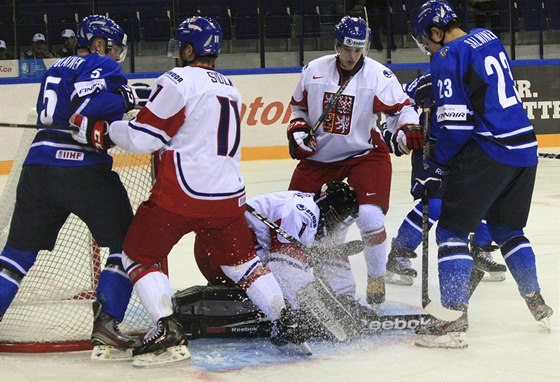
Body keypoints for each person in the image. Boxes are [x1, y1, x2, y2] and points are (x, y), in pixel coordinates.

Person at [70, 16, 309, 367]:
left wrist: (104, 133)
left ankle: (166, 331)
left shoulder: (177, 79)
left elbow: (145, 137)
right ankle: (286, 321)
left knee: (137, 254)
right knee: (243, 263)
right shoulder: (229, 85)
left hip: (183, 193)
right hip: (229, 197)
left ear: (187, 48)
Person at [410, 0, 553, 349]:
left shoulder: (445, 57)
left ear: (435, 31)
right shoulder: (487, 37)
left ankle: (453, 320)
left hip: (491, 149)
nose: (427, 48)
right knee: (508, 230)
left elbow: (457, 125)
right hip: (525, 149)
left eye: (426, 41)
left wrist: (437, 166)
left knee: (452, 231)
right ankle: (536, 302)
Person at [0, 15, 140, 360]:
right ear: (97, 45)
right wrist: (127, 96)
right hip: (80, 167)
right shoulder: (97, 63)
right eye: (115, 49)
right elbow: (86, 110)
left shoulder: (56, 66)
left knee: (15, 256)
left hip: (38, 168)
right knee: (129, 243)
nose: (116, 57)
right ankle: (107, 324)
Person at [287, 15, 423, 309]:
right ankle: (297, 284)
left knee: (370, 218)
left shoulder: (378, 75)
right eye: (347, 49)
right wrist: (297, 130)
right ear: (337, 45)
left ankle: (376, 278)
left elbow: (402, 110)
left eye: (358, 49)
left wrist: (407, 128)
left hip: (364, 155)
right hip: (320, 158)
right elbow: (298, 108)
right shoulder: (313, 71)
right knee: (295, 221)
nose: (352, 56)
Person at [194, 181, 370, 339]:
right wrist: (320, 310)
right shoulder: (300, 213)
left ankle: (341, 300)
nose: (335, 227)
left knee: (302, 271)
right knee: (292, 277)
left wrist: (343, 297)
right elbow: (284, 267)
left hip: (222, 252)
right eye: (334, 220)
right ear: (326, 207)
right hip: (217, 255)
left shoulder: (313, 211)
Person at [383, 71, 506, 286]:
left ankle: (480, 249)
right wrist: (404, 130)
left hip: (467, 152)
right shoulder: (430, 78)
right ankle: (398, 254)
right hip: (431, 151)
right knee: (435, 205)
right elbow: (402, 104)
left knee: (483, 198)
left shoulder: (478, 77)